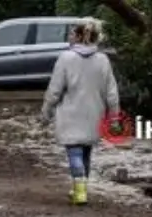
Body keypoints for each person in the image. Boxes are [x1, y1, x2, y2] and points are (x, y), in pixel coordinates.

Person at [40, 18, 120, 206]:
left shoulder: (66, 58)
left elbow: (55, 90)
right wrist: (114, 117)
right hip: (94, 113)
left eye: (71, 33)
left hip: (70, 113)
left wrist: (46, 112)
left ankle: (80, 191)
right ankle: (80, 188)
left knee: (74, 152)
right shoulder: (102, 60)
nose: (68, 37)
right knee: (86, 152)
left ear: (78, 36)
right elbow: (112, 92)